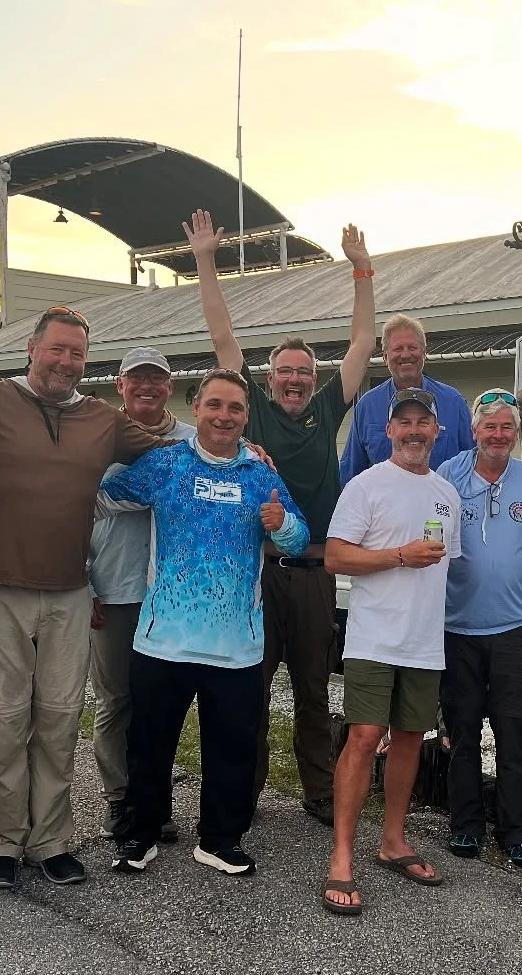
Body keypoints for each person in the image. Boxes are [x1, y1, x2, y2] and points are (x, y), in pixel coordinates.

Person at [0, 306, 170, 890]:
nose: (68, 362)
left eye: (77, 353)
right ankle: (1, 839)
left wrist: (246, 458)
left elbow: (170, 453)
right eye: (58, 350)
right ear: (32, 349)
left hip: (72, 592)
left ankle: (50, 839)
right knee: (0, 720)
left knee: (58, 720)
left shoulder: (101, 419)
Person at [183, 208, 376, 827]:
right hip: (258, 575)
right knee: (252, 689)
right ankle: (250, 789)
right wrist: (207, 261)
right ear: (269, 379)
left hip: (316, 573)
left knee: (318, 692)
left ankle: (320, 792)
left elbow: (363, 345)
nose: (294, 380)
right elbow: (221, 340)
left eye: (303, 372)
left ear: (313, 379)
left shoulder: (327, 406)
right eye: (284, 372)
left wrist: (362, 272)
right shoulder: (255, 413)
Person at [101, 368, 310, 876]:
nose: (224, 416)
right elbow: (105, 494)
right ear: (196, 409)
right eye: (215, 405)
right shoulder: (166, 463)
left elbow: (299, 538)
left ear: (246, 416)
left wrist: (281, 527)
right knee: (149, 745)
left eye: (235, 408)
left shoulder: (261, 474)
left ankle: (220, 838)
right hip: (163, 640)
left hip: (237, 643)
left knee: (233, 748)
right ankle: (141, 834)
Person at [322, 388, 461, 915]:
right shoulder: (365, 486)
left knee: (409, 739)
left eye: (423, 422)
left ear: (437, 430)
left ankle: (394, 841)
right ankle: (341, 856)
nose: (414, 431)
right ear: (389, 431)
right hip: (374, 638)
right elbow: (335, 557)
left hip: (425, 641)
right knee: (363, 738)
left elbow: (450, 566)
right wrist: (400, 555)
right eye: (404, 422)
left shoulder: (447, 495)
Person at [436, 388, 522, 871]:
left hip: (516, 629)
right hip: (457, 629)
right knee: (462, 733)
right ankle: (466, 825)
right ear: (474, 431)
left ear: (515, 432)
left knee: (515, 733)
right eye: (489, 426)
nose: (498, 434)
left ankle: (514, 828)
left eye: (506, 426)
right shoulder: (449, 475)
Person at [87, 346, 197, 843]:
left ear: (168, 386)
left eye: (156, 378)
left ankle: (152, 799)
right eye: (137, 379)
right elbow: (75, 510)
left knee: (160, 704)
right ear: (120, 385)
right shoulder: (97, 437)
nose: (147, 387)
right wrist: (82, 581)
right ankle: (119, 798)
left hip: (173, 596)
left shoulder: (191, 443)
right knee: (115, 700)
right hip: (113, 589)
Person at [339, 313, 473, 483]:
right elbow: (351, 472)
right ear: (385, 356)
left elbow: (472, 466)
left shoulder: (453, 402)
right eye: (398, 349)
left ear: (424, 353)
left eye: (412, 347)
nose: (405, 355)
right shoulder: (367, 406)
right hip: (383, 507)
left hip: (439, 505)